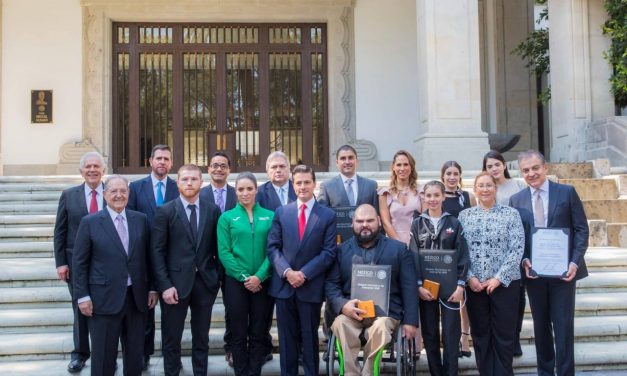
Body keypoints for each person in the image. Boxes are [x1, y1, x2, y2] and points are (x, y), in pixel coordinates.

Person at [509, 150, 589, 376]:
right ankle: (545, 372)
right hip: (534, 275)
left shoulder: (567, 193)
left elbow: (582, 229)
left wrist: (575, 261)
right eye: (526, 170)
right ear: (521, 173)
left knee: (563, 328)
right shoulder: (517, 200)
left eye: (535, 168)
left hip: (565, 273)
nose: (531, 173)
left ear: (545, 168)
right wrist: (524, 260)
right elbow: (517, 238)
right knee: (541, 327)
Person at [72, 175, 156, 376]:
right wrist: (82, 296)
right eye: (113, 191)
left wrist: (152, 287)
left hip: (136, 298)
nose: (119, 195)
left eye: (123, 191)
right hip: (103, 299)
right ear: (104, 194)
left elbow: (148, 257)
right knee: (103, 357)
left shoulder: (141, 219)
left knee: (135, 355)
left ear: (129, 193)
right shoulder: (90, 222)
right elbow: (80, 263)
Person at [326, 204, 418, 376]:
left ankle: (369, 372)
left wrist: (411, 321)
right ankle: (351, 373)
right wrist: (343, 305)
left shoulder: (398, 249)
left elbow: (409, 287)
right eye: (360, 221)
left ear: (379, 221)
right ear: (352, 223)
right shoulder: (340, 251)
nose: (365, 225)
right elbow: (331, 286)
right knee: (339, 323)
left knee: (380, 327)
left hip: (385, 314)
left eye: (369, 220)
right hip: (352, 314)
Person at [151, 164, 222, 376]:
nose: (189, 183)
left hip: (204, 285)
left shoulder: (212, 210)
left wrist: (215, 278)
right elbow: (157, 252)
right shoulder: (165, 211)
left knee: (202, 337)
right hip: (174, 287)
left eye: (194, 179)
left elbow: (218, 248)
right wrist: (164, 285)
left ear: (201, 182)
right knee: (171, 337)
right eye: (184, 179)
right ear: (178, 182)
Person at [267, 164, 337, 376]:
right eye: (298, 183)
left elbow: (328, 252)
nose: (303, 186)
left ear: (314, 184)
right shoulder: (282, 212)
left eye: (307, 182)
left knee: (309, 338)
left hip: (310, 286)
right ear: (293, 185)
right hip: (284, 286)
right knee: (287, 341)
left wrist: (304, 274)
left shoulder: (327, 215)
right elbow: (272, 247)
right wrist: (288, 272)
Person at [458, 172, 524, 376]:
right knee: (481, 335)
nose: (485, 189)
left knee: (504, 334)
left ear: (495, 189)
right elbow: (460, 251)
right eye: (481, 186)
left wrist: (499, 278)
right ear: (475, 190)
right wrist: (470, 277)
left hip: (505, 284)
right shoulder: (464, 216)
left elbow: (517, 247)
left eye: (489, 185)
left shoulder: (511, 214)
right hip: (475, 285)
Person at [217, 172, 275, 376]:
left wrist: (259, 276)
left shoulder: (270, 215)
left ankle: (254, 371)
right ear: (235, 192)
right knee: (238, 332)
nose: (245, 193)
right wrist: (244, 277)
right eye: (240, 189)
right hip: (236, 283)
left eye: (249, 188)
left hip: (263, 282)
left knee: (259, 331)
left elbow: (273, 249)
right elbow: (224, 252)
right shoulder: (226, 218)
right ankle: (241, 372)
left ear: (256, 190)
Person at [409, 180, 469, 376]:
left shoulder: (454, 222)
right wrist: (418, 285)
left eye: (436, 195)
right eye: (429, 195)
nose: (432, 199)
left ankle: (451, 373)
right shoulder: (417, 224)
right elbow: (413, 256)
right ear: (423, 197)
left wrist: (460, 285)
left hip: (451, 288)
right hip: (426, 289)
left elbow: (462, 255)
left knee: (452, 333)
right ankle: (436, 372)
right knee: (430, 333)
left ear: (443, 197)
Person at [53, 151, 106, 372]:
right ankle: (80, 354)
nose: (92, 170)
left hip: (106, 262)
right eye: (88, 167)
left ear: (104, 170)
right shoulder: (69, 195)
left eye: (96, 166)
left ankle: (106, 352)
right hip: (77, 263)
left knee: (107, 308)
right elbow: (60, 231)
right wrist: (61, 262)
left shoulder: (115, 192)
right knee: (80, 308)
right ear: (81, 171)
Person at [127, 144, 178, 370]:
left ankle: (171, 358)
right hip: (142, 259)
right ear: (150, 161)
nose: (162, 162)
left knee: (170, 315)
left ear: (171, 163)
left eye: (166, 159)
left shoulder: (178, 187)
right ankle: (144, 353)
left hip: (171, 259)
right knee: (144, 313)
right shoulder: (136, 188)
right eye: (158, 158)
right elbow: (128, 219)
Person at [482, 149, 528, 356]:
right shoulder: (486, 188)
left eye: (496, 164)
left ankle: (514, 338)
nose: (494, 169)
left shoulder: (518, 185)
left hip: (515, 245)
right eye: (489, 166)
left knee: (518, 296)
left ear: (504, 165)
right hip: (493, 252)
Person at [199, 152, 239, 367]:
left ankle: (231, 348)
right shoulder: (199, 194)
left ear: (229, 169)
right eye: (214, 165)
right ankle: (200, 350)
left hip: (232, 261)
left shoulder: (238, 193)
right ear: (208, 169)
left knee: (233, 309)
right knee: (202, 310)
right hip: (206, 262)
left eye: (223, 165)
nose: (218, 169)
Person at [439, 160, 475, 359]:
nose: (452, 177)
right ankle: (447, 339)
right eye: (448, 173)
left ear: (460, 176)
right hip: (443, 253)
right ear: (443, 176)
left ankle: (464, 338)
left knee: (464, 298)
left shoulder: (466, 197)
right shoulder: (439, 195)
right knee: (446, 297)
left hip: (463, 249)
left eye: (455, 173)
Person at [317, 144, 379, 213]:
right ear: (337, 163)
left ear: (357, 161)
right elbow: (321, 214)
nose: (347, 162)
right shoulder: (327, 187)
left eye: (350, 158)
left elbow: (377, 214)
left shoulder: (371, 186)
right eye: (343, 158)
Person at [378, 150, 422, 245]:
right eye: (399, 165)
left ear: (411, 167)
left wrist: (414, 244)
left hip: (418, 243)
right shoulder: (384, 193)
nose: (402, 168)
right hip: (393, 244)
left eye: (406, 164)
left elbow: (425, 220)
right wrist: (400, 245)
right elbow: (386, 223)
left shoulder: (422, 192)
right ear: (393, 167)